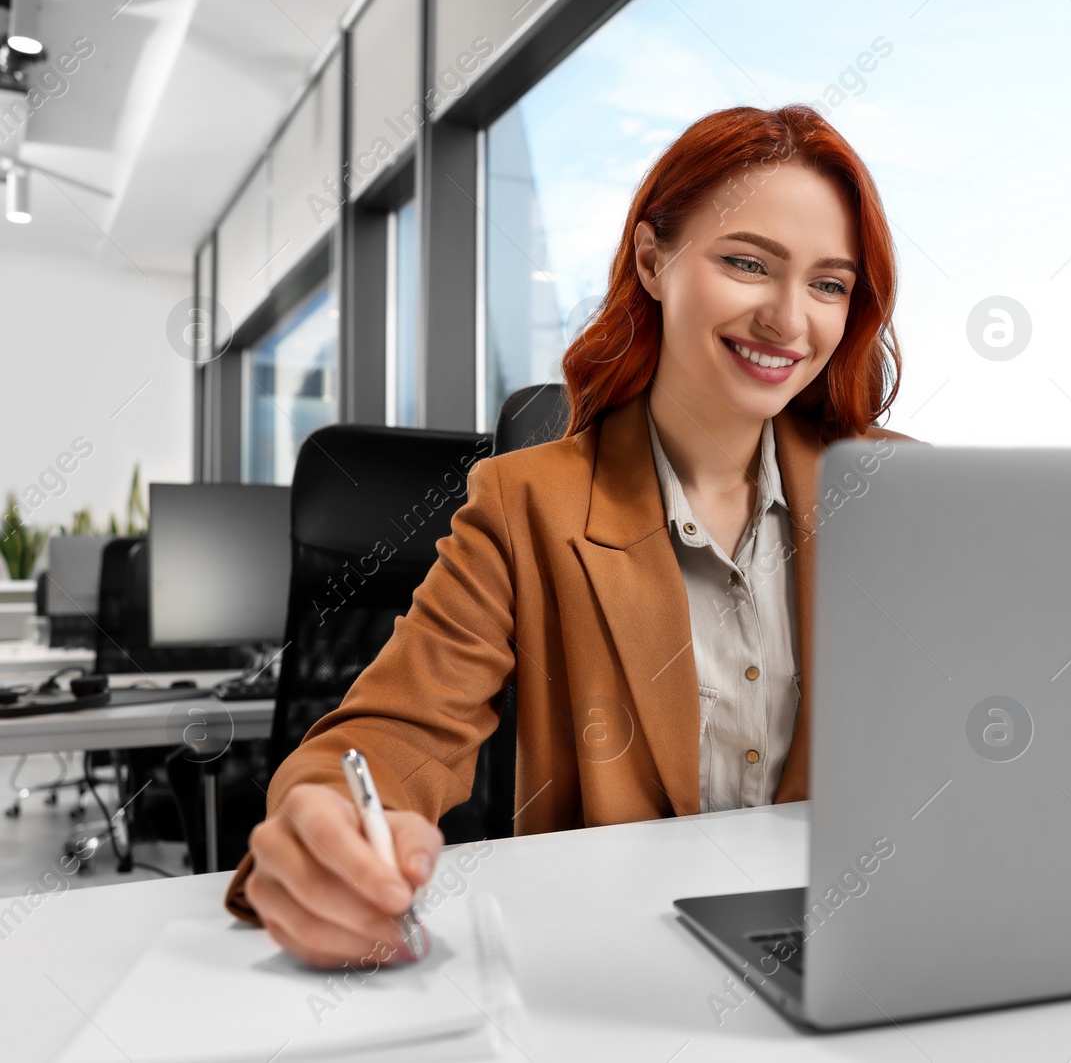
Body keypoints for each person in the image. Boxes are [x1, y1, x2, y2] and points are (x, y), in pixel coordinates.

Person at [224, 104, 916, 967]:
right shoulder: (526, 504)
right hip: (613, 969)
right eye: (748, 263)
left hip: (855, 954)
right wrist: (321, 821)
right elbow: (395, 732)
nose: (788, 318)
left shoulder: (900, 496)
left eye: (828, 284)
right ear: (654, 259)